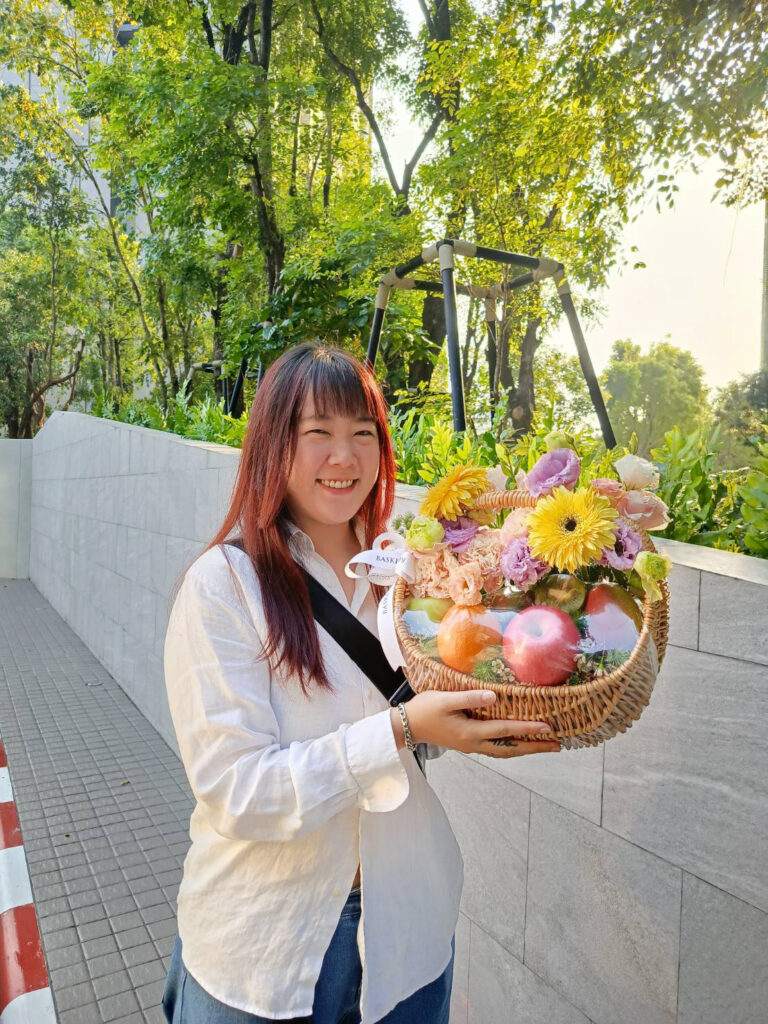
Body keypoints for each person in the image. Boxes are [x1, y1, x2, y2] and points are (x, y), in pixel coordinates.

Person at [160, 342, 561, 1024]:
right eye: (317, 434)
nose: (343, 458)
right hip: (264, 947)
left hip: (406, 927)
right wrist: (405, 729)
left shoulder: (409, 576)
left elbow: (411, 735)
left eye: (362, 434)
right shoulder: (224, 586)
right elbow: (238, 790)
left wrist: (468, 728)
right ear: (271, 447)